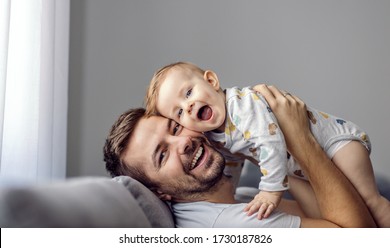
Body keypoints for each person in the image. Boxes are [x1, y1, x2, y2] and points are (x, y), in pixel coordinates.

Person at [144, 61, 390, 227]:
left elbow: (270, 143)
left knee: (370, 201)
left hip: (337, 144)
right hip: (304, 162)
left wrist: (270, 190)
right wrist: (230, 187)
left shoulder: (243, 106)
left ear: (211, 81)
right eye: (178, 113)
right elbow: (233, 160)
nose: (187, 106)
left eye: (188, 93)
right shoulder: (215, 134)